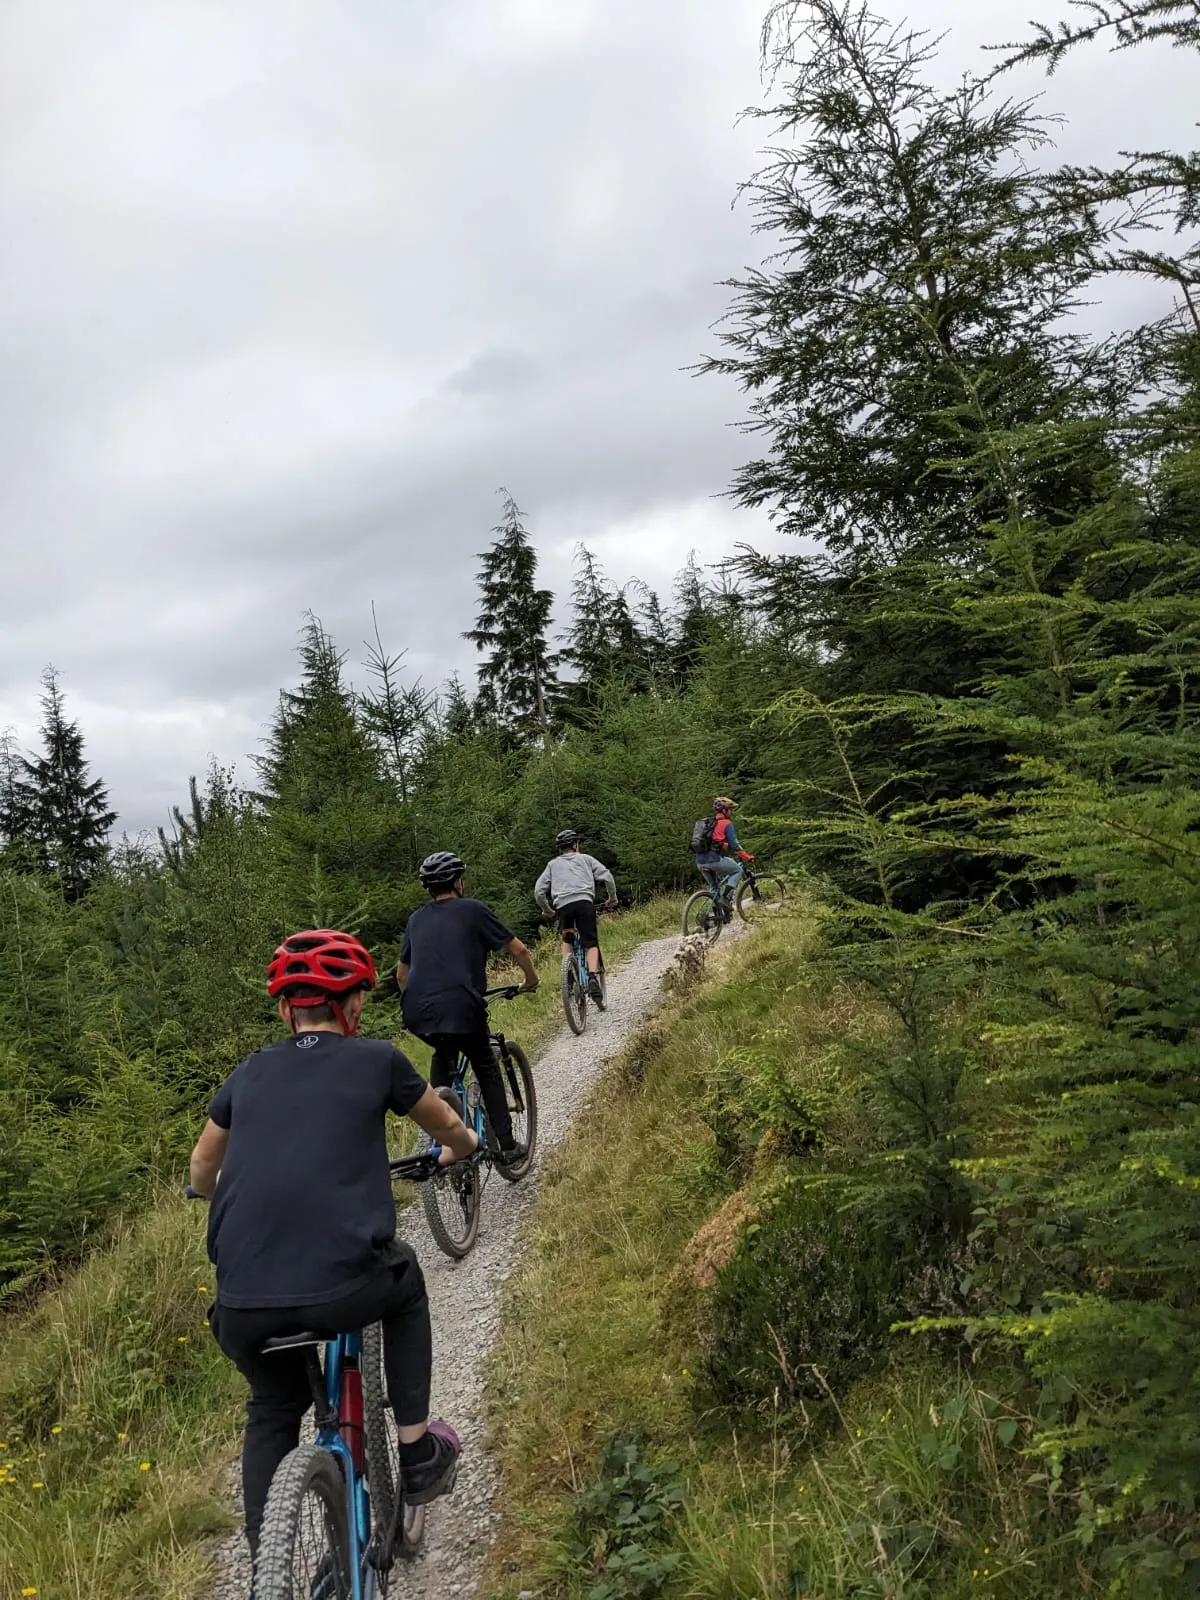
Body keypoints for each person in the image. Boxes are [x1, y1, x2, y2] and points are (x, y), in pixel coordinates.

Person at [189, 928, 477, 1575]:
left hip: (242, 1306)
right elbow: (446, 1126)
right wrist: (456, 1149)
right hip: (349, 1285)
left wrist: (207, 1192)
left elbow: (203, 1168)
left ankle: (272, 1569)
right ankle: (415, 1452)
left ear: (287, 1009)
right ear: (350, 1006)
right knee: (405, 1284)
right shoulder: (377, 1060)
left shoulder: (248, 1073)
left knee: (271, 1407)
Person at [396, 851, 539, 1167]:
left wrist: (421, 1001)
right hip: (462, 1006)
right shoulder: (473, 910)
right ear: (457, 882)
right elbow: (518, 948)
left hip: (418, 1013)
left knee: (443, 1056)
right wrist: (531, 979)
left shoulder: (416, 919)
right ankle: (508, 1148)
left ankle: (442, 1132)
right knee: (485, 1065)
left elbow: (401, 975)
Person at [534, 829, 617, 1002]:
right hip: (584, 903)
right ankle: (593, 976)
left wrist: (548, 911)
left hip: (563, 906)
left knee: (568, 939)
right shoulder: (586, 859)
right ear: (575, 845)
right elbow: (607, 877)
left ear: (559, 849)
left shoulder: (552, 865)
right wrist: (612, 898)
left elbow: (539, 891)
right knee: (590, 942)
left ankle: (569, 975)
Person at [694, 796, 754, 908]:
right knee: (737, 870)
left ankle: (714, 916)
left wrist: (724, 844)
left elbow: (714, 841)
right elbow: (735, 845)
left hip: (700, 861)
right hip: (713, 860)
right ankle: (726, 898)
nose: (731, 812)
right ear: (725, 810)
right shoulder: (726, 823)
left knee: (714, 887)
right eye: (730, 810)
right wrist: (746, 856)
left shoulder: (710, 824)